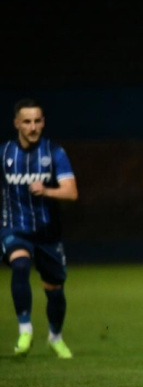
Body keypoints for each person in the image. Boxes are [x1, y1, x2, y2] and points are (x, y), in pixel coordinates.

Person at [1, 99, 78, 358]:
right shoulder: (4, 154)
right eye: (27, 121)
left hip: (47, 232)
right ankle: (25, 330)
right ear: (16, 124)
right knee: (20, 265)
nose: (33, 127)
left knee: (54, 292)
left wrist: (46, 190)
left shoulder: (54, 153)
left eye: (37, 121)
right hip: (14, 227)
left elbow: (71, 192)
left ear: (43, 122)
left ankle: (55, 337)